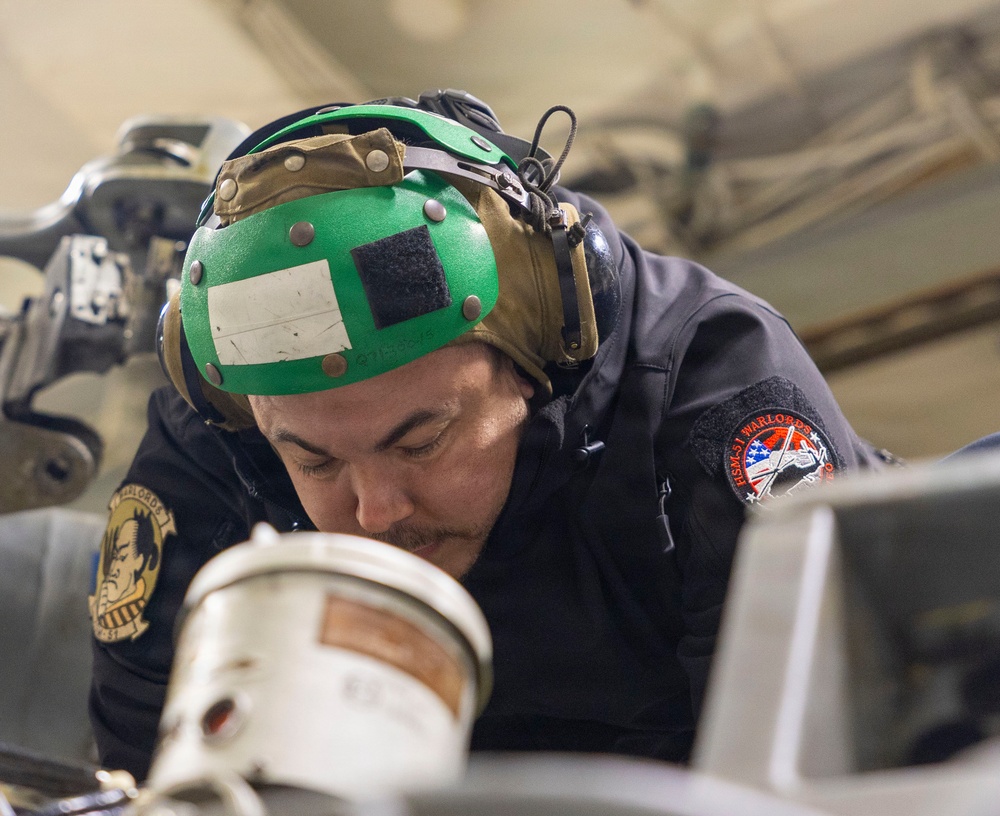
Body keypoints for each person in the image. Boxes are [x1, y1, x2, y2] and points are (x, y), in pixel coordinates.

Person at [88, 90, 886, 781]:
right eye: (315, 460)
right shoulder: (211, 451)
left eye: (419, 442)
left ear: (538, 354)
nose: (375, 511)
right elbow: (151, 787)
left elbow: (822, 755)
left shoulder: (715, 392)